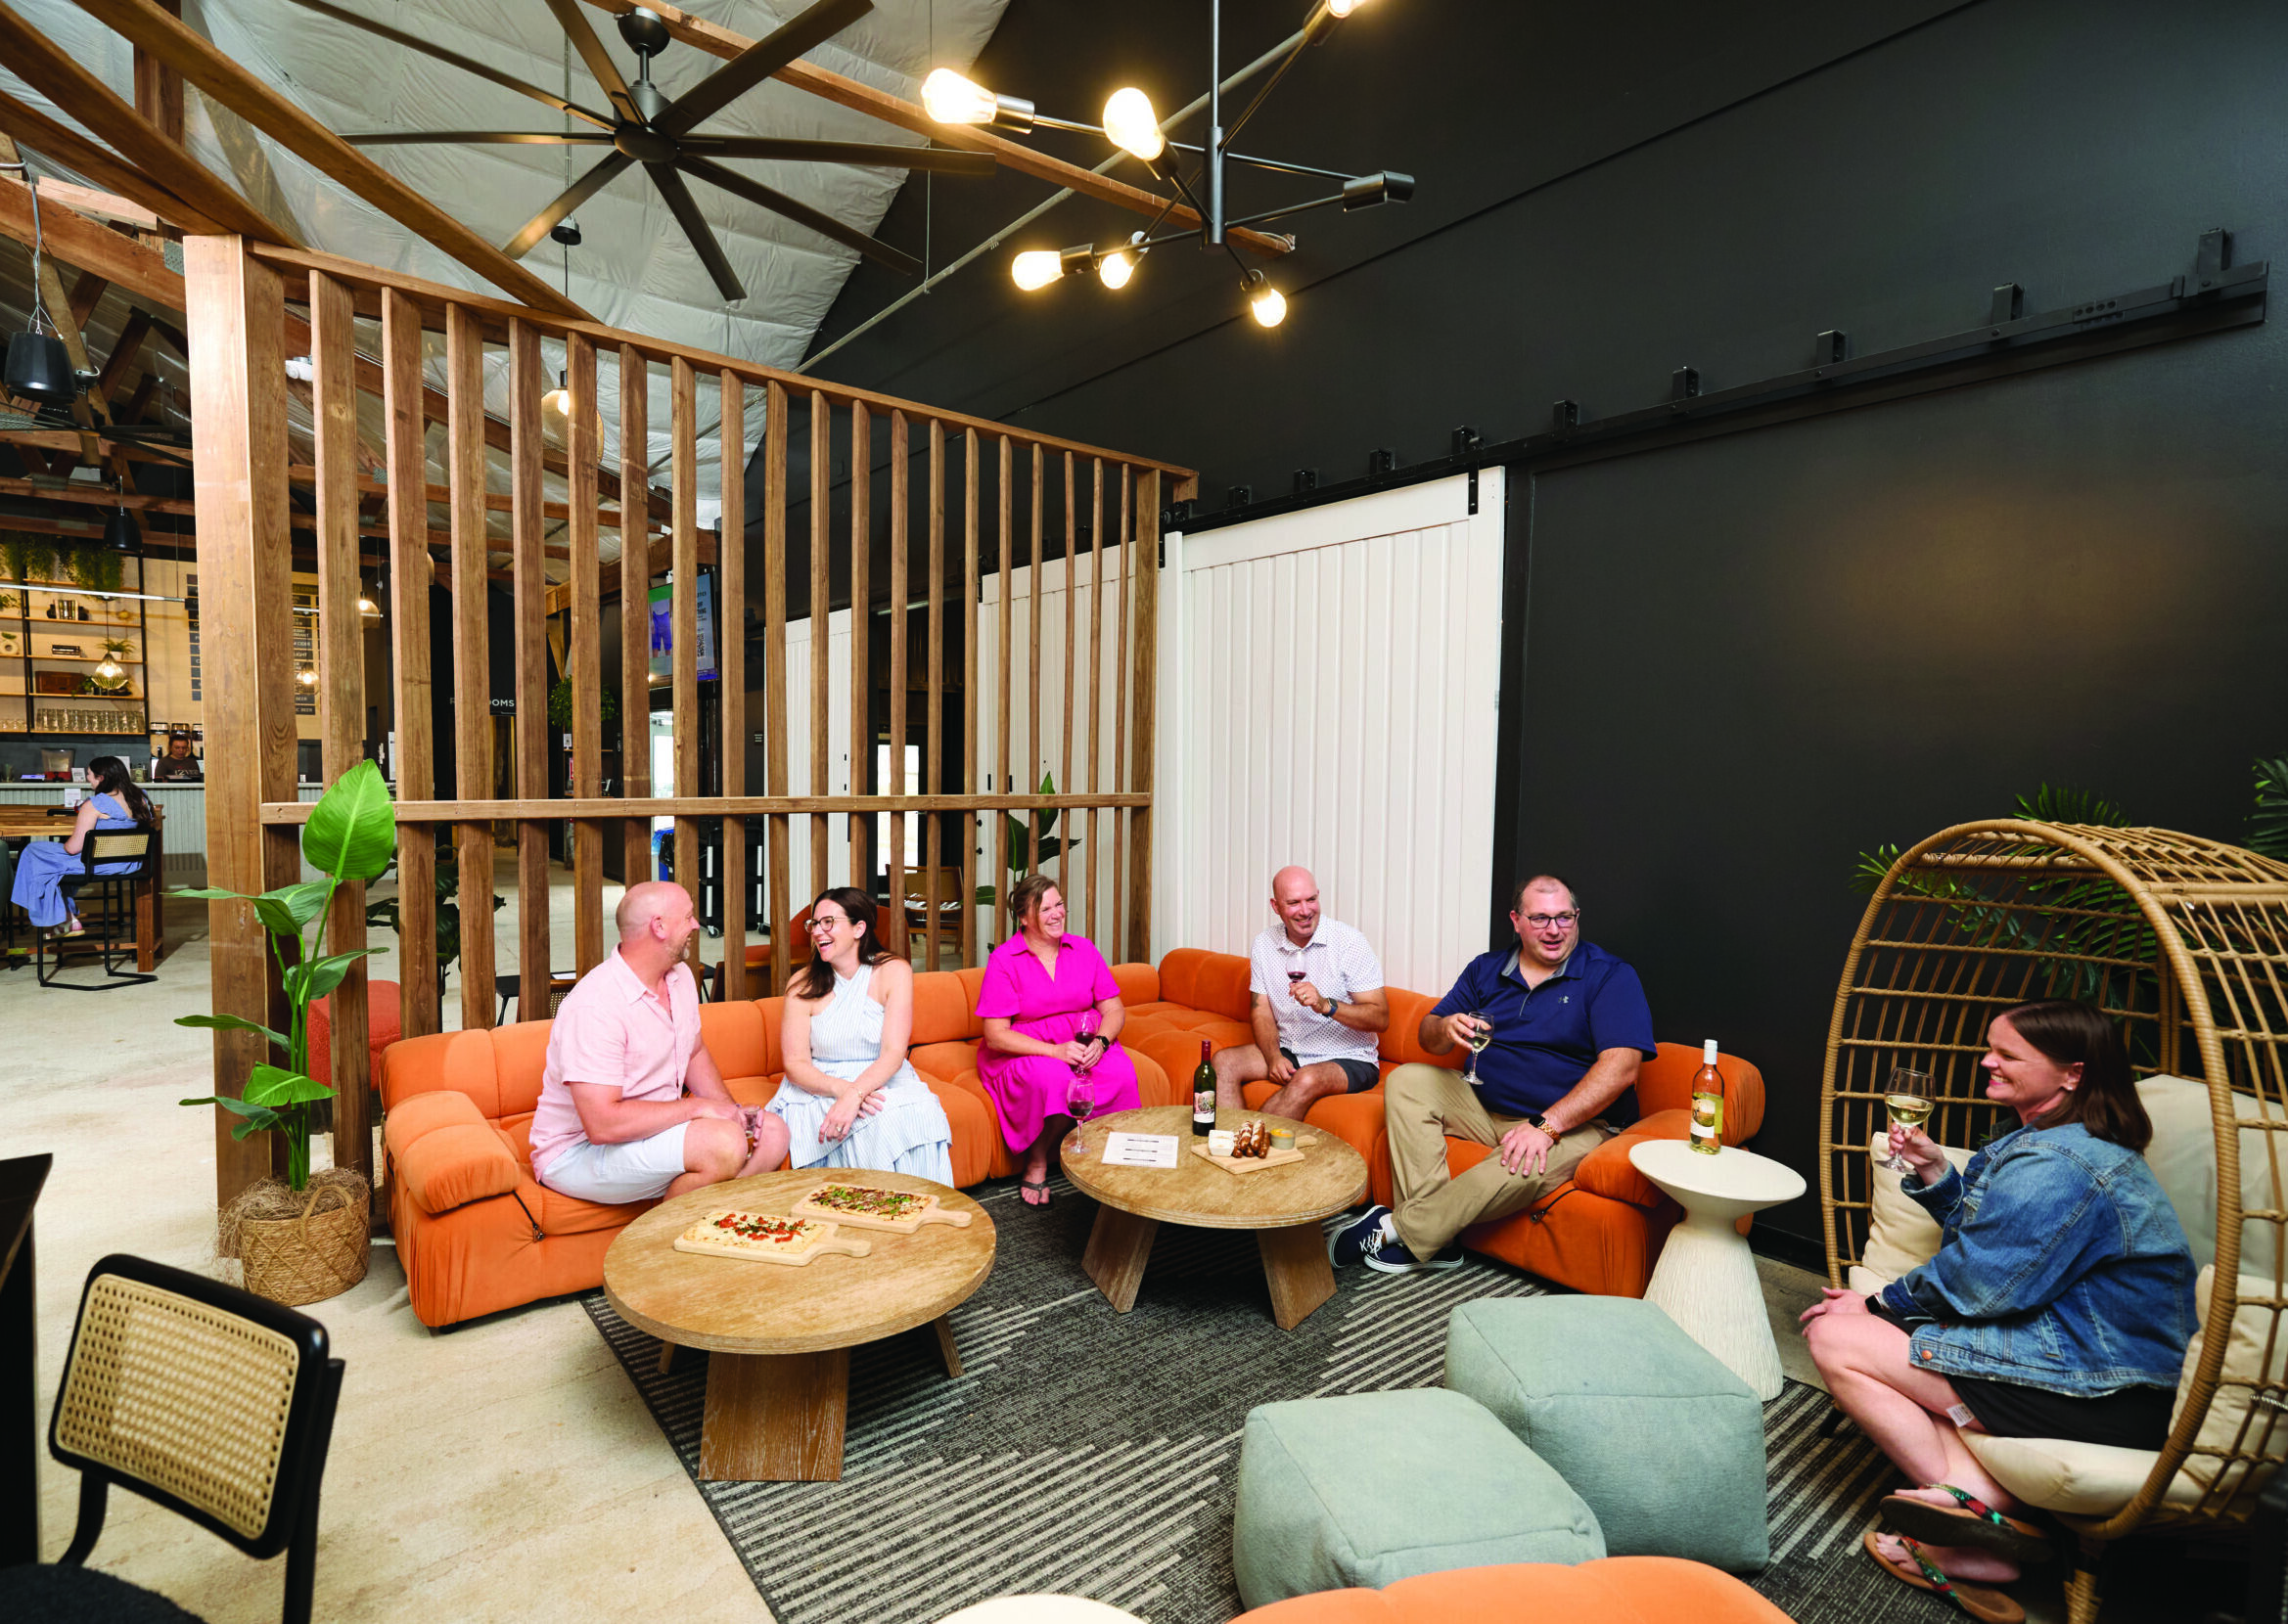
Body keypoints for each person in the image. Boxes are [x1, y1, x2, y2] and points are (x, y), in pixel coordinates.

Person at [1802, 1000, 2196, 1616]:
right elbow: (2003, 1246)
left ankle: (1971, 1503)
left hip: (2106, 1391)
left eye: (2008, 1054)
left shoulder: (2064, 1161)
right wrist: (1937, 1173)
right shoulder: (2051, 1141)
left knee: (1834, 1335)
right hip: (2088, 1370)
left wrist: (1875, 1303)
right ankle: (1979, 1532)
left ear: (2072, 1074)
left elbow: (1980, 1281)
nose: (1988, 1061)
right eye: (1992, 1048)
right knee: (1880, 1338)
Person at [1332, 874, 1656, 1274]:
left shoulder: (1609, 975)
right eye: (1539, 919)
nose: (1554, 930)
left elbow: (1622, 1069)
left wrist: (1547, 1126)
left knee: (1520, 1163)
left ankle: (1399, 1228)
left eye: (1564, 917)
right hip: (1485, 1107)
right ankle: (1437, 1239)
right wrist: (1444, 1026)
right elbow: (1428, 1037)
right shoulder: (1486, 969)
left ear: (1576, 917)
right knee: (1406, 1081)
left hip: (1576, 1124)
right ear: (1516, 921)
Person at [527, 880, 789, 1204]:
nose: (696, 925)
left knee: (774, 1133)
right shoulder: (595, 1005)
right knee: (724, 1143)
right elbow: (602, 1126)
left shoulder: (680, 978)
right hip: (578, 1152)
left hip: (654, 1130)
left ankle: (720, 1219)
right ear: (659, 926)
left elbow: (694, 1052)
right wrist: (699, 1107)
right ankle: (676, 1231)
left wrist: (731, 1112)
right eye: (688, 917)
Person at [764, 886, 954, 1184]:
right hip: (821, 1084)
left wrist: (857, 1093)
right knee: (878, 1117)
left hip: (882, 1075)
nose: (817, 931)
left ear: (859, 928)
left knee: (923, 1110)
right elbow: (795, 1064)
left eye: (828, 922)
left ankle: (922, 1204)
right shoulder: (801, 984)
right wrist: (843, 1092)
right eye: (814, 924)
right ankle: (871, 1206)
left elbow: (893, 1053)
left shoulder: (893, 971)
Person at [976, 873, 1142, 1206]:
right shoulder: (1004, 960)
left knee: (1121, 1072)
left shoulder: (1084, 949)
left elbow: (1114, 1009)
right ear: (1024, 918)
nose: (1057, 914)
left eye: (1059, 904)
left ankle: (1111, 1159)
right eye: (1045, 909)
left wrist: (1102, 1043)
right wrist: (1055, 1052)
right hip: (1028, 1050)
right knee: (1057, 1079)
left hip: (1083, 1042)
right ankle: (1037, 1160)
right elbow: (995, 1036)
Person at [1213, 866, 1390, 1120]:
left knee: (1306, 1078)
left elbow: (1380, 1018)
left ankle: (1247, 1141)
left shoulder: (1349, 942)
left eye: (1311, 899)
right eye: (1294, 903)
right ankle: (1230, 1139)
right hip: (1290, 1049)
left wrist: (1326, 1005)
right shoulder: (1264, 944)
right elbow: (1260, 1010)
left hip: (1349, 1057)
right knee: (1223, 1062)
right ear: (1276, 906)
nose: (1305, 911)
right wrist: (1273, 1057)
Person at [11, 756, 152, 936]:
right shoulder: (141, 798)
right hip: (130, 863)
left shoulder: (94, 804)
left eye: (89, 774)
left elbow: (72, 849)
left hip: (99, 864)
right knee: (51, 864)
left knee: (34, 853)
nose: (87, 778)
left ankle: (65, 918)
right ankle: (66, 918)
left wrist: (64, 843)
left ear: (101, 778)